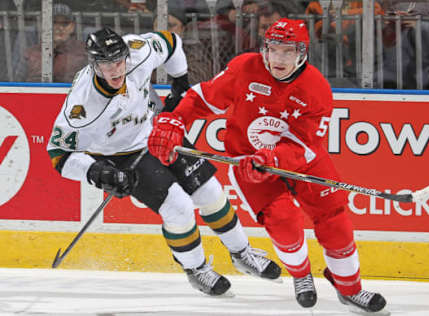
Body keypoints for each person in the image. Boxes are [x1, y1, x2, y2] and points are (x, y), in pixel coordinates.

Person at [147, 18, 387, 313]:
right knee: (284, 222)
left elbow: (305, 145)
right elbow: (203, 96)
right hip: (250, 163)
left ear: (302, 53)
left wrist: (272, 159)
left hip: (303, 162)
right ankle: (301, 276)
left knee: (335, 223)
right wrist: (175, 119)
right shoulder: (245, 68)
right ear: (265, 49)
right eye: (274, 50)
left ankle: (350, 289)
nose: (279, 59)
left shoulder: (316, 88)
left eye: (287, 52)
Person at [46, 26, 281, 296]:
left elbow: (171, 42)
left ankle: (242, 253)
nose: (115, 70)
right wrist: (99, 173)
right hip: (120, 154)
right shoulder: (83, 106)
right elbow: (58, 156)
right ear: (94, 64)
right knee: (178, 207)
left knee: (210, 191)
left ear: (125, 54)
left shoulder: (138, 52)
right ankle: (196, 269)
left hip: (156, 130)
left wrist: (180, 80)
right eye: (105, 64)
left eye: (118, 61)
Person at [18, 2, 86, 82]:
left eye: (65, 23)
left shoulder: (83, 53)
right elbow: (17, 83)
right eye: (54, 23)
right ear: (44, 25)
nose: (59, 28)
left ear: (72, 27)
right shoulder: (30, 54)